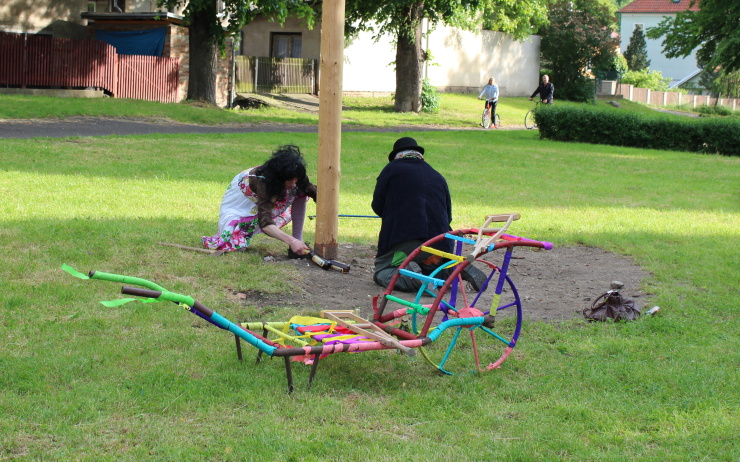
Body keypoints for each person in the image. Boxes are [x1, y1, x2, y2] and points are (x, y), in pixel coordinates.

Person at [371, 137, 486, 292]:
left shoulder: (391, 169)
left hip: (405, 242)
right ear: (419, 155)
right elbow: (448, 216)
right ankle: (452, 268)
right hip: (441, 244)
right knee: (432, 269)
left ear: (397, 156)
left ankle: (412, 279)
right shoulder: (437, 176)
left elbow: (377, 206)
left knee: (383, 270)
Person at [203, 145, 316, 257]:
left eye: (296, 180)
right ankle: (296, 243)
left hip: (268, 201)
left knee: (300, 190)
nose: (293, 184)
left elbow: (315, 192)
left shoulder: (296, 175)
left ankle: (298, 242)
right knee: (234, 244)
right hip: (241, 206)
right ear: (279, 177)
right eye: (290, 180)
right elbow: (265, 223)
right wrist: (292, 241)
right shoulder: (263, 182)